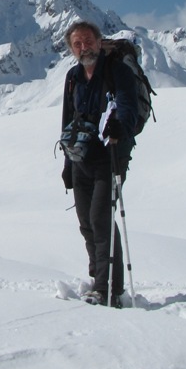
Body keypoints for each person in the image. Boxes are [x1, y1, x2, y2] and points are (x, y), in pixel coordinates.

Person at [60, 20, 140, 307]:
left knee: (100, 220)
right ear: (72, 49)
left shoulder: (117, 71)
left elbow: (128, 105)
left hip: (110, 157)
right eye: (77, 44)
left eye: (88, 41)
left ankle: (109, 289)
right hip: (81, 159)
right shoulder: (73, 77)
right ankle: (98, 280)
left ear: (99, 41)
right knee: (86, 223)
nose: (84, 47)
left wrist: (120, 124)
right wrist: (68, 165)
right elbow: (68, 120)